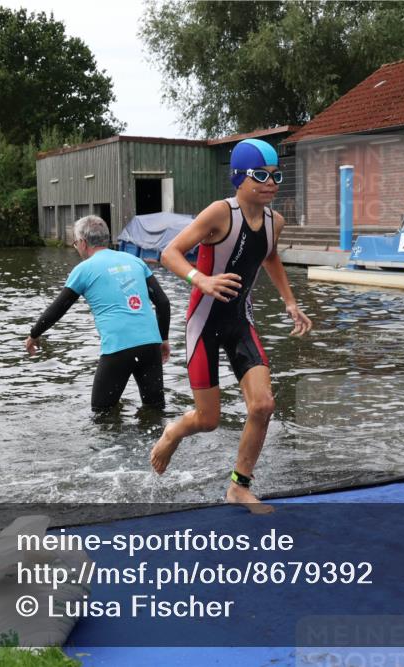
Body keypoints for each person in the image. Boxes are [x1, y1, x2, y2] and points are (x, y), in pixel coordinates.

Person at [149, 138, 312, 513]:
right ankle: (174, 431)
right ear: (240, 178)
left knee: (263, 405)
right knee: (208, 420)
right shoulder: (220, 214)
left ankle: (239, 486)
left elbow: (268, 255)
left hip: (241, 320)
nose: (271, 183)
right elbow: (169, 253)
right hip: (204, 323)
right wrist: (200, 279)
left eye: (275, 175)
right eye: (261, 175)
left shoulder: (276, 222)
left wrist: (290, 302)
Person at [24, 215, 171, 413]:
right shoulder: (135, 261)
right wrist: (163, 339)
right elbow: (162, 302)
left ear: (83, 243)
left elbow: (58, 308)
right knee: (155, 411)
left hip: (118, 347)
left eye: (76, 244)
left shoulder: (83, 269)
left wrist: (34, 334)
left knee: (102, 414)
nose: (76, 248)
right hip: (150, 344)